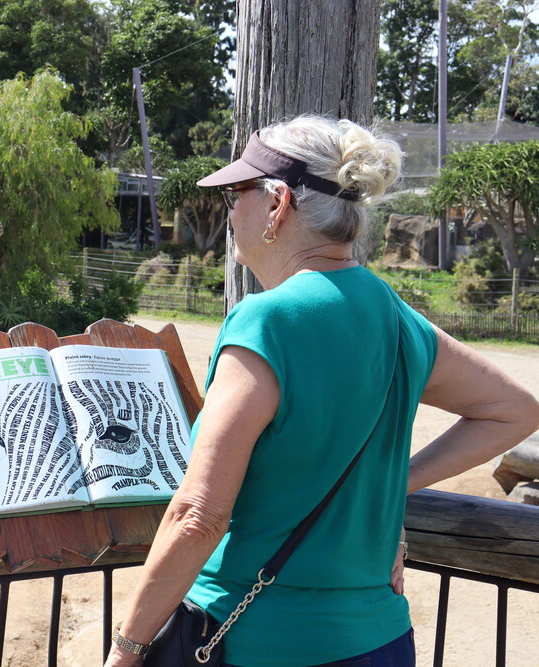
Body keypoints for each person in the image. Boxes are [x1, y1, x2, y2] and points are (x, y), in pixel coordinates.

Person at [104, 115, 539, 667]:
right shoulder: (398, 316)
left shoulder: (265, 320)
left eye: (236, 194)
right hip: (381, 642)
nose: (229, 212)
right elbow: (514, 410)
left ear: (278, 203)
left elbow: (198, 517)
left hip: (258, 644)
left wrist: (126, 650)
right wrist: (392, 484)